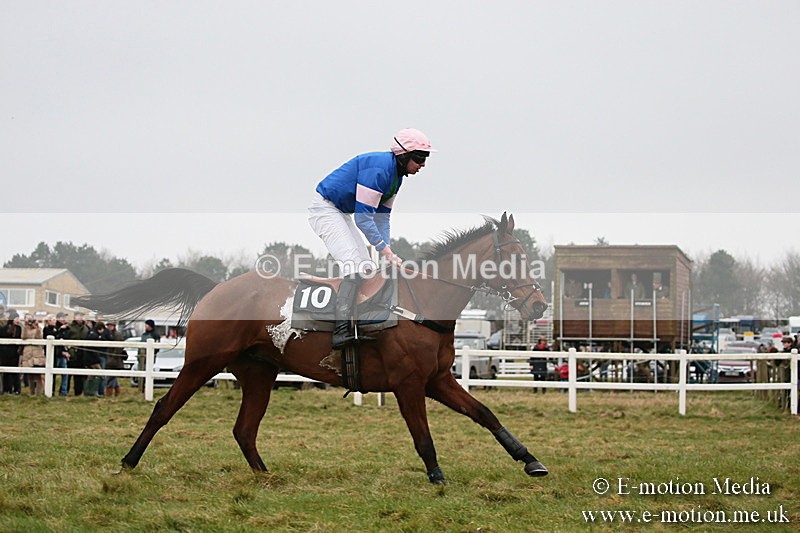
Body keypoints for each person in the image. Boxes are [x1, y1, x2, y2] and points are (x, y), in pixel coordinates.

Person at [308, 128, 435, 348]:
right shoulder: (379, 170)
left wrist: (386, 251)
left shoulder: (397, 178)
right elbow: (364, 220)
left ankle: (360, 324)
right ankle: (340, 332)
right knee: (354, 267)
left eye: (426, 158)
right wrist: (386, 252)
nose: (422, 164)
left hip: (341, 212)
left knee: (366, 268)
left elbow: (382, 219)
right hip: (325, 209)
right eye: (419, 158)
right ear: (403, 156)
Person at [64, 312, 89, 396]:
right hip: (72, 353)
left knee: (79, 375)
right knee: (68, 374)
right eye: (79, 316)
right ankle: (65, 391)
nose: (80, 318)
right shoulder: (70, 327)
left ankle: (78, 392)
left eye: (81, 316)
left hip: (82, 354)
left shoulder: (86, 328)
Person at [20, 314, 45, 396]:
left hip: (37, 354)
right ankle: (32, 393)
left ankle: (38, 394)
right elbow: (23, 337)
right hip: (28, 353)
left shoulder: (39, 328)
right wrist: (25, 326)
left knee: (38, 376)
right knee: (30, 375)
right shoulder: (25, 328)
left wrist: (37, 327)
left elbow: (39, 337)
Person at [0, 310, 22, 394]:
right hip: (5, 354)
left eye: (18, 318)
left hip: (14, 353)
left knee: (15, 372)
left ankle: (17, 389)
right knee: (6, 373)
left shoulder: (18, 328)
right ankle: (7, 389)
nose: (17, 320)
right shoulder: (4, 328)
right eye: (16, 318)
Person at [105, 320, 126, 396]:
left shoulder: (117, 335)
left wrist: (113, 357)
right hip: (110, 357)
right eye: (108, 326)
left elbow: (119, 348)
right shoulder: (108, 334)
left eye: (111, 325)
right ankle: (117, 391)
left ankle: (109, 392)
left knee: (111, 377)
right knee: (112, 376)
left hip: (115, 359)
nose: (109, 327)